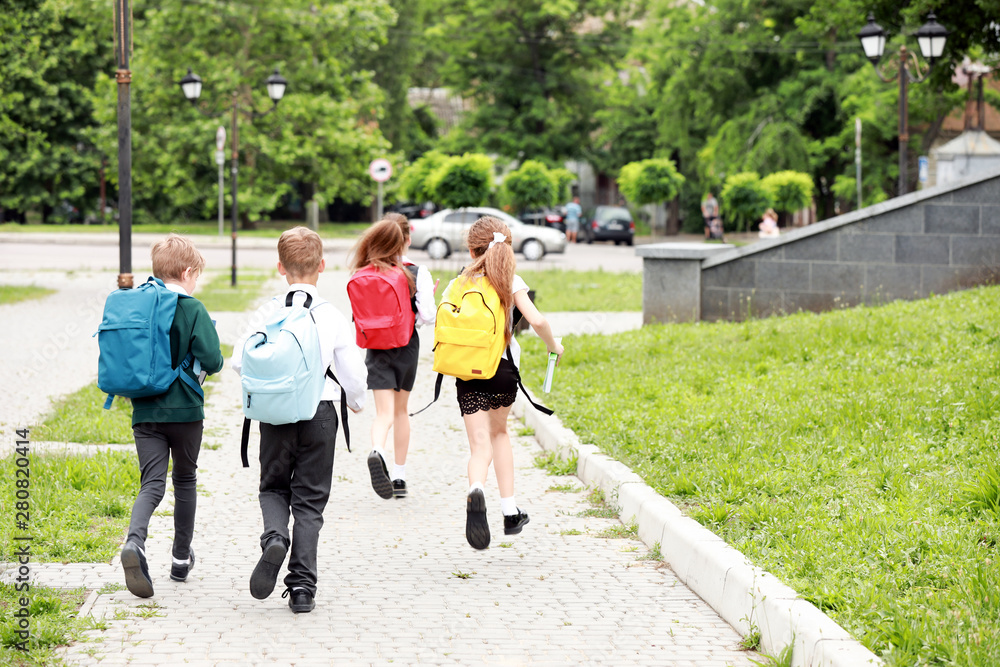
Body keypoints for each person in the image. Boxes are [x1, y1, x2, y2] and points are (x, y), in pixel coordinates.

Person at [232, 227, 368, 613]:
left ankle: (275, 536)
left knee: (273, 488)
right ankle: (303, 588)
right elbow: (354, 374)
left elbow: (240, 360)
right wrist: (355, 401)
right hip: (320, 415)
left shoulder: (268, 312)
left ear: (280, 268)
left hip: (275, 416)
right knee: (309, 502)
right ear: (322, 266)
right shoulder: (331, 316)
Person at [447, 216, 564, 550]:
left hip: (468, 369)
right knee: (500, 433)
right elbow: (537, 319)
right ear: (508, 246)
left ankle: (475, 489)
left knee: (478, 444)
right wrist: (553, 346)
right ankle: (510, 510)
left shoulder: (461, 280)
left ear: (471, 249)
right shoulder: (510, 278)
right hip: (502, 368)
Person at [121, 234, 224, 598]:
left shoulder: (138, 306)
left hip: (144, 410)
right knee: (184, 480)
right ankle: (181, 559)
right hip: (185, 412)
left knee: (151, 483)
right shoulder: (192, 308)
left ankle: (134, 542)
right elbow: (213, 361)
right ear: (187, 271)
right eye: (196, 276)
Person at [353, 214, 436, 500]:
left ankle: (378, 450)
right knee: (402, 411)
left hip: (375, 346)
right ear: (407, 240)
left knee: (383, 413)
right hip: (405, 345)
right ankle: (399, 477)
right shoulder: (416, 271)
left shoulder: (366, 269)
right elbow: (427, 316)